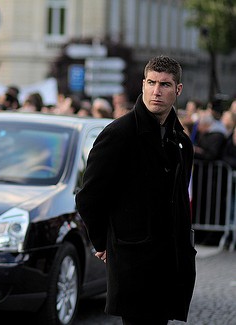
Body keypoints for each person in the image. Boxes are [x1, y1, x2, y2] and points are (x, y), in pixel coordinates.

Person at [75, 55, 196, 325]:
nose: (156, 91)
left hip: (170, 259)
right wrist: (103, 242)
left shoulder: (180, 142)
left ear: (178, 90)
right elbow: (89, 197)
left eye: (165, 84)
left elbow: (178, 200)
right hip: (134, 258)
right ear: (142, 84)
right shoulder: (119, 134)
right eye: (151, 82)